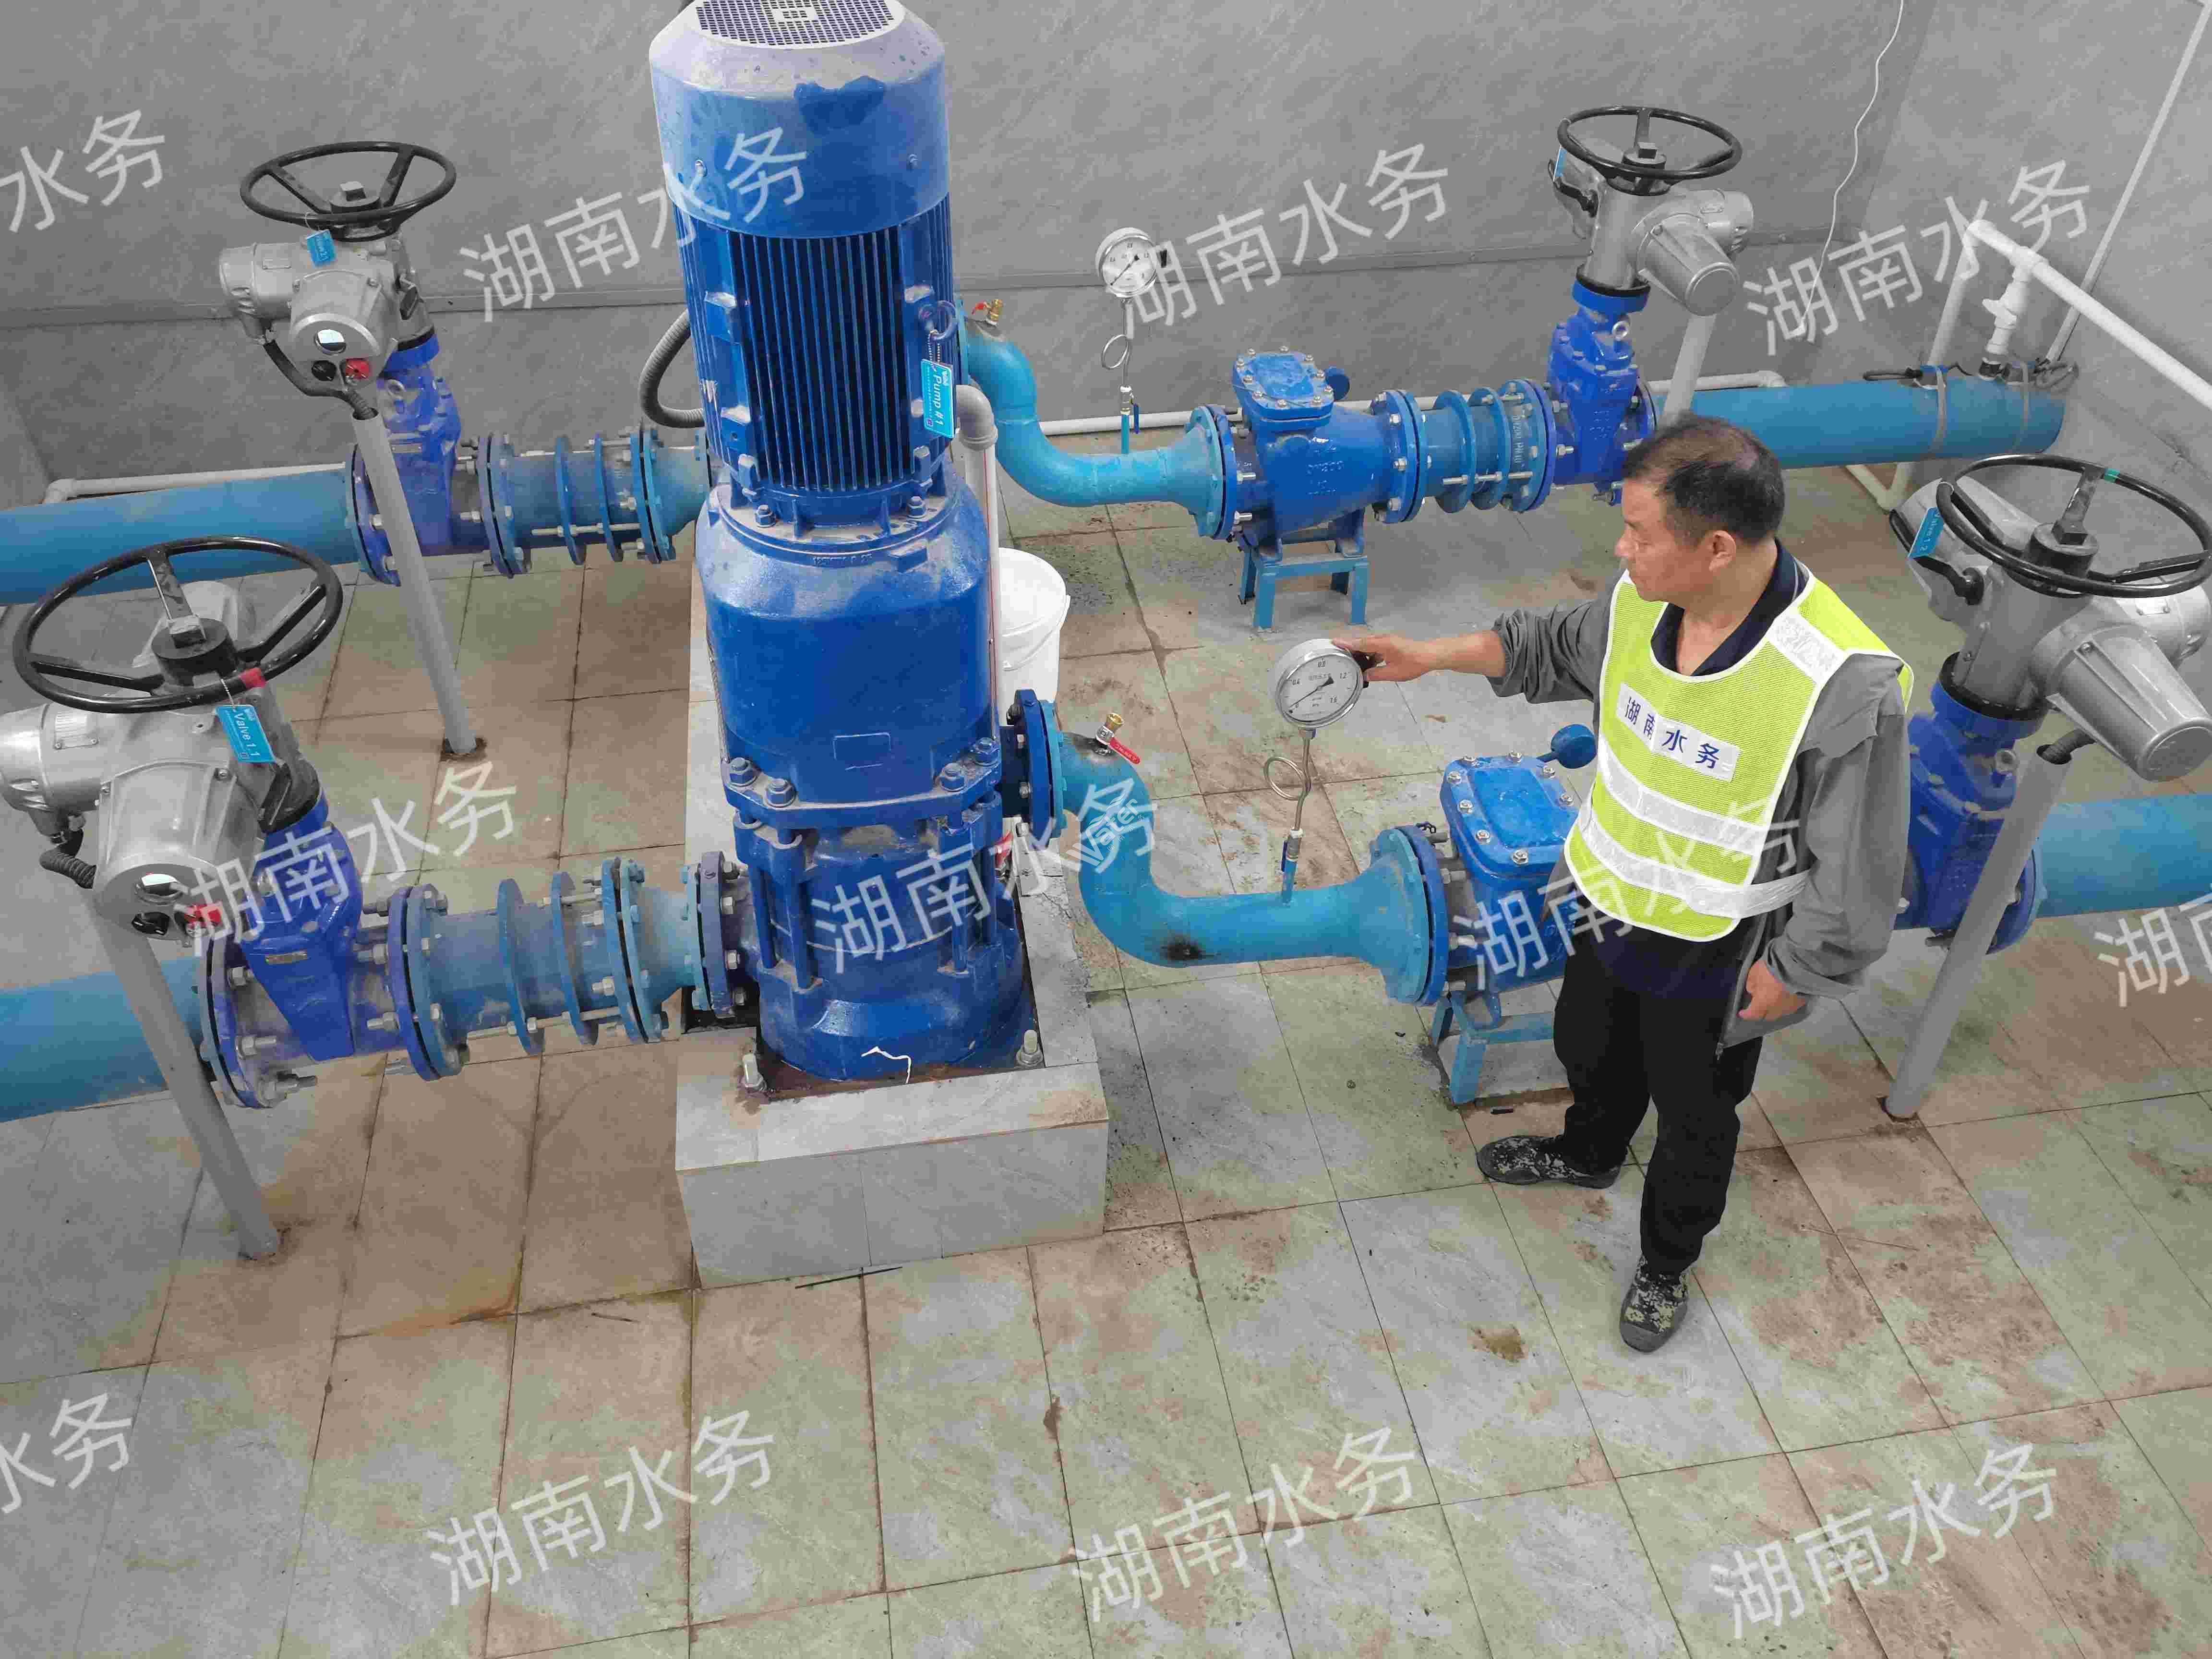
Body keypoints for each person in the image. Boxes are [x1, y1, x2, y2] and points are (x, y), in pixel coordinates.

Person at [1343, 415, 1912, 1353]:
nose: (1621, 548)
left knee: (1697, 1115)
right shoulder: (1643, 600)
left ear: (1717, 546)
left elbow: (1860, 863)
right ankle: (1589, 1151)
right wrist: (1430, 655)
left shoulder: (1839, 682)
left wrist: (1802, 971)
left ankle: (1666, 1259)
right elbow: (1546, 646)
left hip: (1721, 946)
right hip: (1605, 901)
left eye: (1640, 531)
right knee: (1592, 1048)